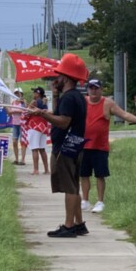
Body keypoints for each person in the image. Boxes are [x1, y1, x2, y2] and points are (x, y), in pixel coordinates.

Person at [26, 53, 89, 238]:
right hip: (75, 145)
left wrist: (42, 114)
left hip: (65, 148)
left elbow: (63, 121)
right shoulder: (75, 96)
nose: (56, 78)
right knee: (74, 186)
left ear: (66, 78)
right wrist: (54, 96)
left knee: (69, 188)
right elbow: (60, 113)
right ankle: (79, 224)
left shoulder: (69, 98)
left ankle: (69, 227)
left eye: (59, 75)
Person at [82, 79, 136, 213]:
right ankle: (85, 201)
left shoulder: (108, 103)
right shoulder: (83, 102)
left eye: (96, 88)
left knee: (100, 175)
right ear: (87, 90)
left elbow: (125, 115)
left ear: (101, 89)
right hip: (84, 145)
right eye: (91, 88)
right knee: (84, 174)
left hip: (100, 146)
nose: (93, 91)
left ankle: (100, 201)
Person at [26, 86, 50, 175]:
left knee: (34, 148)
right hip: (43, 127)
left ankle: (36, 170)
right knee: (42, 149)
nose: (33, 94)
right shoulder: (44, 102)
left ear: (37, 94)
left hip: (34, 126)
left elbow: (26, 112)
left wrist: (28, 105)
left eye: (34, 93)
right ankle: (46, 169)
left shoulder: (34, 102)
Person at [9, 88, 27, 165]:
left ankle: (22, 159)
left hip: (22, 124)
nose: (17, 95)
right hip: (14, 124)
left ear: (21, 94)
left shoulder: (23, 102)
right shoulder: (13, 102)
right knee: (14, 141)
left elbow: (25, 111)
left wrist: (16, 111)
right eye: (16, 93)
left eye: (19, 93)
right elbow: (9, 112)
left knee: (22, 142)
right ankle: (16, 159)